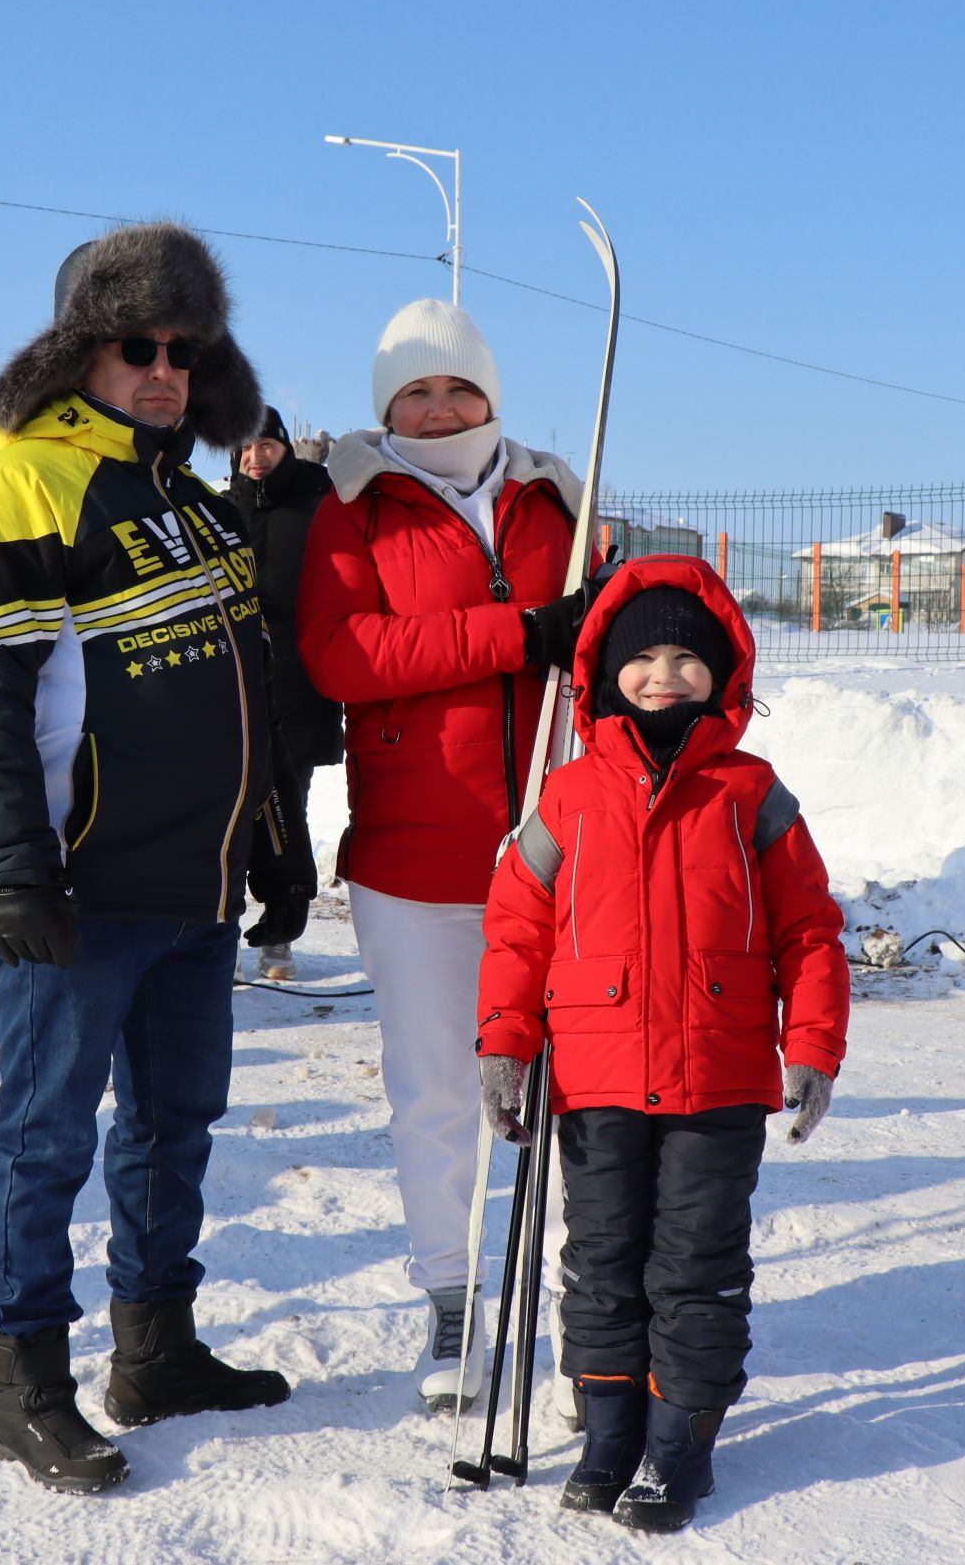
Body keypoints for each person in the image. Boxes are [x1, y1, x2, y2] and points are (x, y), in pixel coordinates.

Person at [0, 222, 313, 1494]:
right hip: (82, 890)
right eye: (137, 345)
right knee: (44, 1138)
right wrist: (12, 874)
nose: (163, 371)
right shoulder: (18, 482)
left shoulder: (192, 502)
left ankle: (156, 1349)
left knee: (173, 1129)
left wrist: (274, 838)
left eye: (184, 350)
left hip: (196, 889)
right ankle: (26, 1383)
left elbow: (246, 689)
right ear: (78, 350)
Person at [475, 556, 850, 1532]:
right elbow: (518, 929)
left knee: (696, 1261)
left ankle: (680, 1439)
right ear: (605, 672)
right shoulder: (567, 796)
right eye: (643, 655)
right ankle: (607, 1428)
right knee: (601, 1256)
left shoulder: (750, 793)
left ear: (723, 673)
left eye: (688, 656)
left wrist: (811, 1043)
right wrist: (504, 1045)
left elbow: (809, 929)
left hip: (718, 1078)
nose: (664, 674)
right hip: (595, 1077)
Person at [299, 297, 593, 1410]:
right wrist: (516, 634)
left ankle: (577, 1302)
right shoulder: (353, 501)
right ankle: (452, 1297)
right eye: (414, 390)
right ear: (388, 404)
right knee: (436, 1088)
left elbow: (605, 644)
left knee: (571, 1090)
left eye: (456, 386)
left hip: (553, 849)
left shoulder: (559, 492)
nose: (437, 407)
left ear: (490, 392)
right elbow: (343, 651)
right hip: (413, 859)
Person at [225, 406, 341, 981]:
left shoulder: (318, 504)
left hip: (297, 678)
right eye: (244, 449)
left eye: (265, 446)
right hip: (232, 680)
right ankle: (221, 924)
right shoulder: (221, 511)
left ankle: (282, 931)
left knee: (286, 803)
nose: (254, 458)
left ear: (284, 448)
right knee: (230, 805)